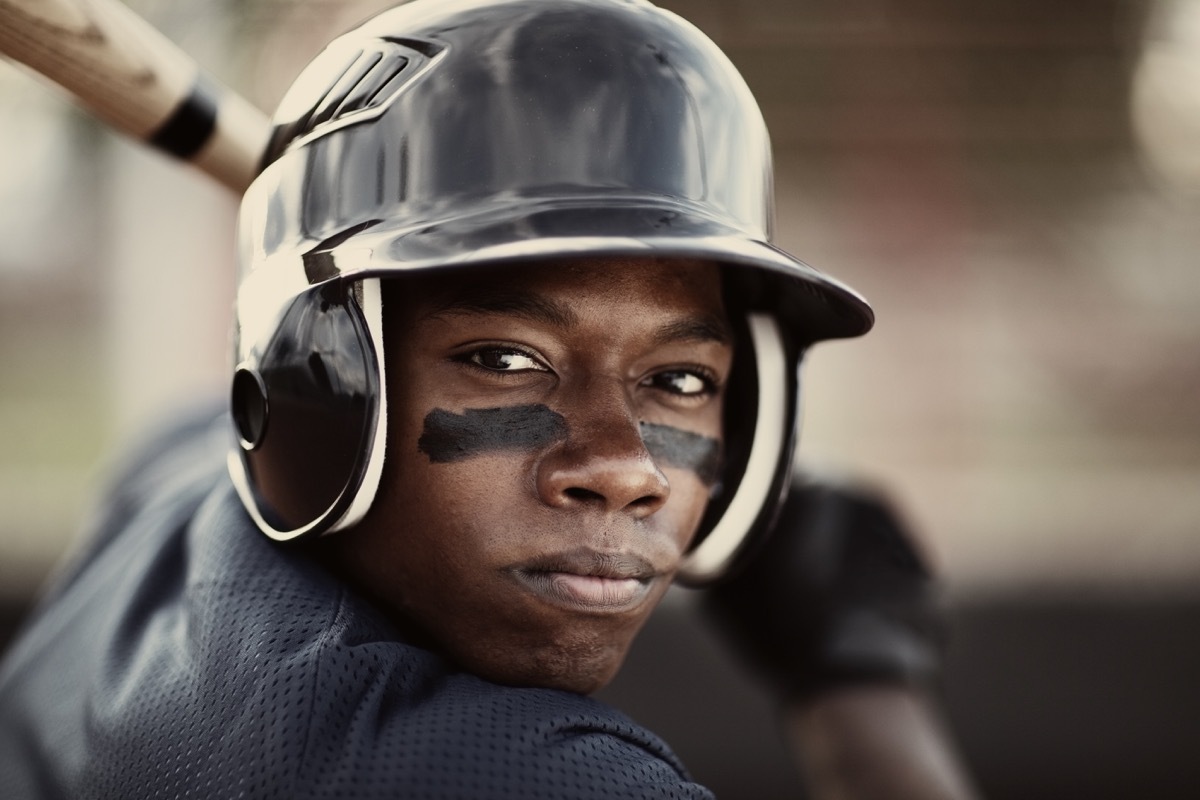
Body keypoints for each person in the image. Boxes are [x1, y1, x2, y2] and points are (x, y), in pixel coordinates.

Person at [0, 0, 976, 797]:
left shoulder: (165, 484)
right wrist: (863, 687)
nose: (627, 469)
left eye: (681, 379)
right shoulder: (507, 773)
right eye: (507, 358)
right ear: (311, 392)